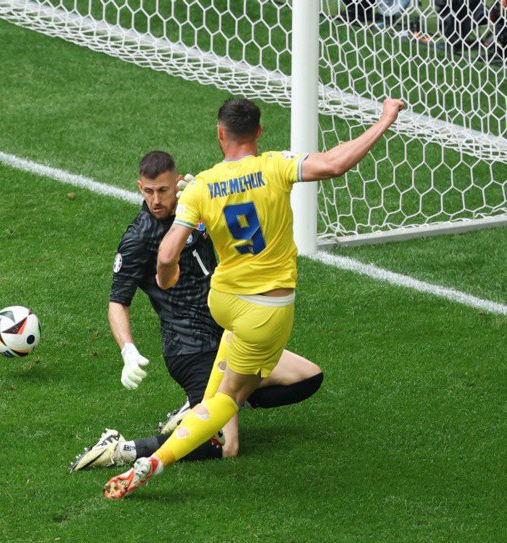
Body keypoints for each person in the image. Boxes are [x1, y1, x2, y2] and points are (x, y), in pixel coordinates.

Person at [103, 96, 406, 499]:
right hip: (264, 312)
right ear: (259, 132)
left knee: (231, 379)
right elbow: (336, 163)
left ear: (219, 134)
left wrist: (167, 275)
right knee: (230, 400)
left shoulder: (202, 185)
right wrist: (384, 119)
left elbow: (167, 254)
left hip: (224, 302)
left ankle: (193, 411)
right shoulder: (276, 165)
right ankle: (152, 461)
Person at [69, 151, 323, 472]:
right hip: (192, 350)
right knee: (226, 446)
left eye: (162, 190)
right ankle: (122, 449)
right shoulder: (140, 237)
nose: (156, 200)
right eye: (148, 191)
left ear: (176, 184)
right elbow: (118, 302)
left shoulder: (197, 206)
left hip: (231, 333)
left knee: (308, 378)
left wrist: (208, 199)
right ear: (139, 187)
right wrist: (128, 350)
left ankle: (201, 405)